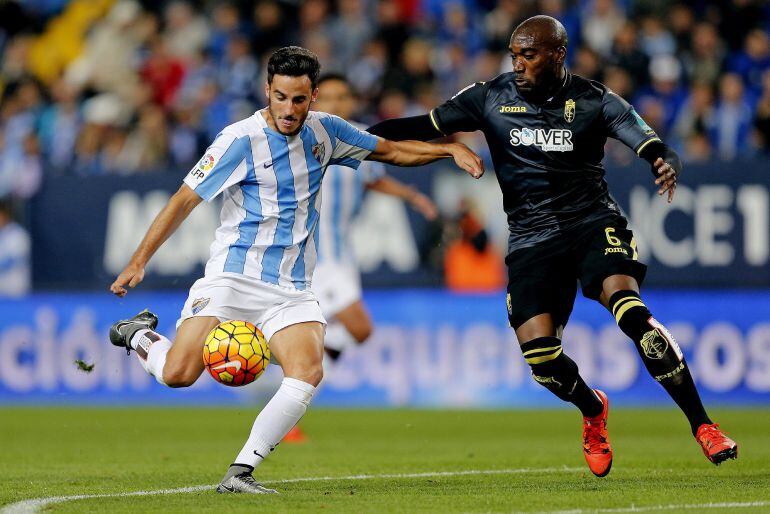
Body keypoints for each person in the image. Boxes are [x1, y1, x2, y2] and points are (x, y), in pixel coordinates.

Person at [368, 16, 737, 477]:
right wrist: (353, 139)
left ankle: (704, 425)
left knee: (633, 316)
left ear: (558, 54)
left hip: (591, 224)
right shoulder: (489, 97)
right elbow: (421, 125)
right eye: (513, 54)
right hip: (530, 239)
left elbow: (652, 142)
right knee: (541, 359)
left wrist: (663, 161)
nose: (518, 63)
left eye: (528, 54)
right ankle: (592, 409)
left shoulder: (595, 100)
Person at [108, 46, 483, 494]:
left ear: (314, 96)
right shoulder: (238, 139)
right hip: (233, 276)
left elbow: (392, 152)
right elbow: (184, 199)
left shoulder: (327, 132)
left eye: (299, 100)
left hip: (292, 286)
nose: (289, 109)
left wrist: (449, 149)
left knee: (307, 371)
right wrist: (138, 260)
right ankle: (138, 334)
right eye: (280, 97)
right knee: (179, 374)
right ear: (267, 91)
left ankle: (240, 471)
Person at [311, 73, 438, 361]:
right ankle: (273, 361)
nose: (336, 103)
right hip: (316, 254)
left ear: (352, 101)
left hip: (342, 252)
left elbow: (373, 177)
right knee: (360, 328)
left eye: (342, 97)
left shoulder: (362, 136)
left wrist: (412, 196)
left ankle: (294, 379)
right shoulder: (304, 136)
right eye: (328, 97)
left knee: (348, 334)